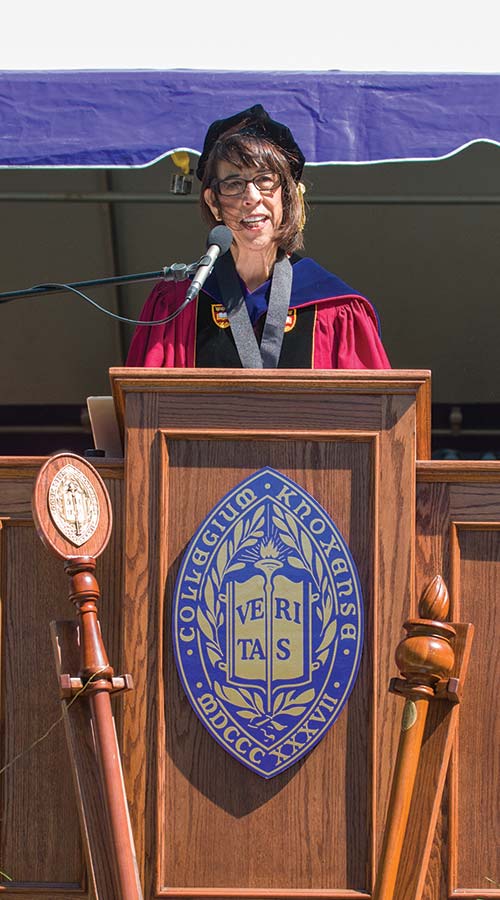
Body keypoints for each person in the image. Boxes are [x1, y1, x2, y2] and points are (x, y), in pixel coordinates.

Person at [126, 105, 390, 369]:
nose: (251, 197)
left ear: (286, 196)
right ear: (213, 203)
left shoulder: (337, 309)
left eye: (264, 180)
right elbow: (145, 405)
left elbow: (373, 406)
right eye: (233, 184)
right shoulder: (178, 304)